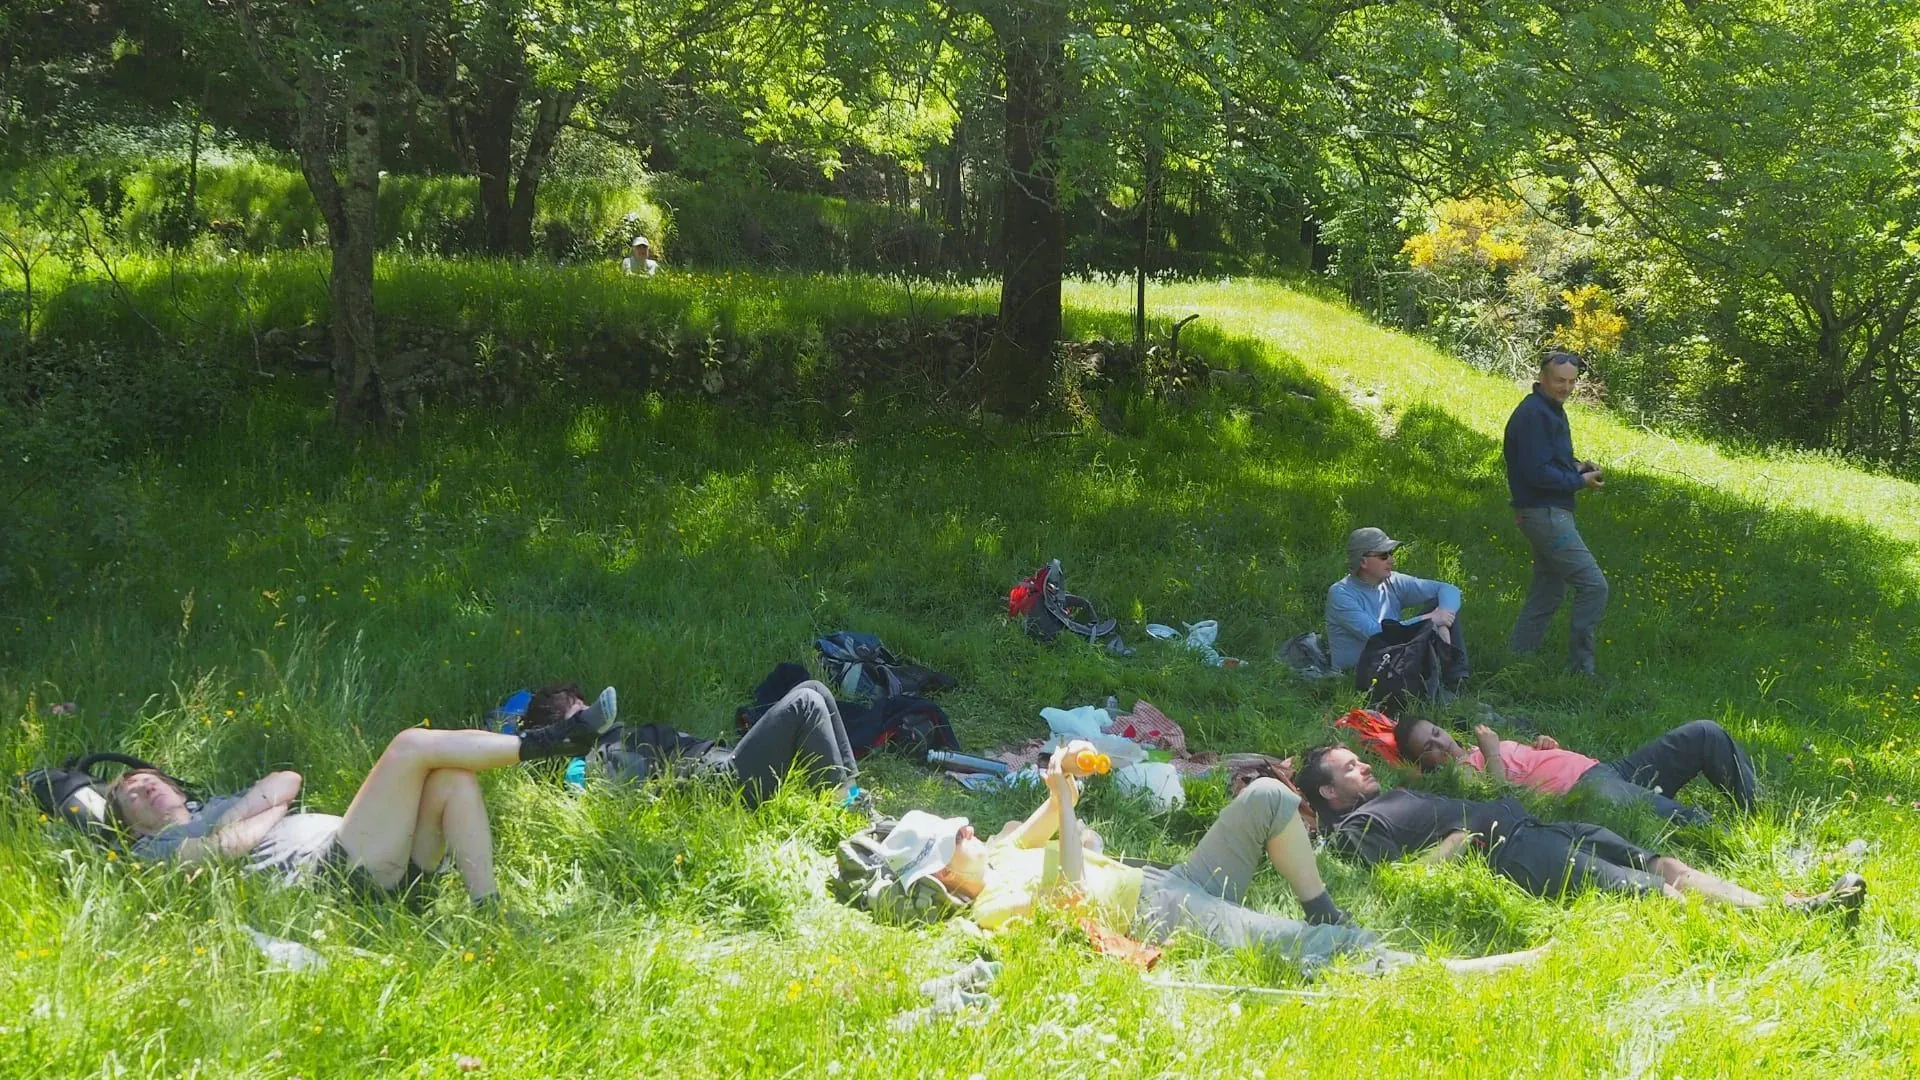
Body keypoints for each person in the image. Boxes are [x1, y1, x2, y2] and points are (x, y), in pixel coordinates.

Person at [872, 739, 1544, 977]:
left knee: (1265, 800)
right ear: (937, 879)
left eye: (961, 826)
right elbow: (1073, 892)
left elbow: (1052, 813)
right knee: (1311, 952)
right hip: (1163, 917)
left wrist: (1063, 772)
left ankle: (1323, 911)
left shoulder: (992, 855)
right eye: (954, 838)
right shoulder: (991, 907)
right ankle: (1455, 970)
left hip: (1169, 883)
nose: (968, 832)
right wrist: (1064, 807)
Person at [108, 690, 617, 903]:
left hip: (364, 857)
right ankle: (550, 742)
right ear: (130, 824)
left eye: (147, 778)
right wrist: (254, 818)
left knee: (452, 780)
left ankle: (489, 910)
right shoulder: (153, 848)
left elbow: (287, 781)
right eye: (131, 794)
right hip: (329, 874)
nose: (143, 787)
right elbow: (224, 851)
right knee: (409, 746)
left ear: (172, 783)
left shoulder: (216, 803)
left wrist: (249, 811)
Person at [1297, 745, 1862, 912]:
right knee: (1652, 892)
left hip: (1543, 826)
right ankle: (1790, 914)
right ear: (1328, 794)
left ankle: (1775, 902)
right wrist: (1448, 849)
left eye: (1359, 759)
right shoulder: (1355, 830)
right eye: (1350, 767)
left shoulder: (1383, 798)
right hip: (1514, 855)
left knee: (1663, 865)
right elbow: (1390, 889)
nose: (1364, 765)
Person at [523, 679, 857, 808]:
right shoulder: (586, 765)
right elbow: (624, 789)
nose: (595, 715)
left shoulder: (614, 739)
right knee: (805, 703)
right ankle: (843, 811)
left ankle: (851, 796)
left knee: (814, 687)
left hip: (725, 761)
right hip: (721, 785)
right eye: (582, 713)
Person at [1395, 716, 1757, 826]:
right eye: (1428, 747)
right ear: (1422, 763)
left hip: (1607, 770)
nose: (1440, 744)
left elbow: (1527, 767)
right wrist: (1493, 752)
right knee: (1631, 802)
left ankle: (1755, 813)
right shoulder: (1460, 775)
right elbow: (1498, 796)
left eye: (1437, 734)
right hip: (1585, 791)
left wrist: (1543, 746)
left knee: (1704, 732)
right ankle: (1717, 832)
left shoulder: (1479, 747)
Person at [1504, 350, 1609, 674]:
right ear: (1542, 378)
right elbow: (1537, 474)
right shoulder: (1534, 414)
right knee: (1594, 586)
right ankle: (1581, 670)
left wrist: (1578, 468)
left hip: (1543, 510)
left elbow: (1545, 463)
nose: (1566, 387)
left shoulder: (1550, 410)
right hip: (1545, 513)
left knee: (1548, 589)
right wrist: (1579, 482)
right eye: (1559, 380)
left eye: (1571, 381)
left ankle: (1516, 659)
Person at [1325, 526, 1468, 687]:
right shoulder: (1341, 594)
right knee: (1432, 619)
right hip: (1361, 672)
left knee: (1440, 603)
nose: (1391, 560)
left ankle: (1457, 681)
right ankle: (1445, 686)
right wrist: (1429, 619)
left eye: (1391, 554)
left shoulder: (1392, 581)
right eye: (1384, 556)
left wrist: (1443, 617)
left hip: (1393, 657)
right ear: (1363, 561)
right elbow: (1377, 635)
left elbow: (1449, 589)